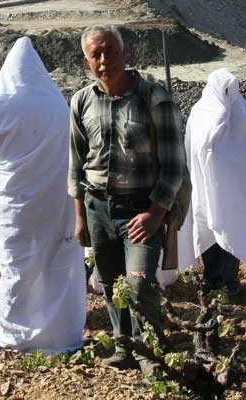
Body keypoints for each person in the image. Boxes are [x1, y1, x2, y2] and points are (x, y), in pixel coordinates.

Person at [69, 24, 185, 375]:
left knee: (138, 282)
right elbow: (76, 164)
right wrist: (80, 217)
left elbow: (174, 167)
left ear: (124, 53)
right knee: (109, 281)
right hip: (98, 208)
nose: (104, 61)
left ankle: (151, 355)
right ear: (88, 60)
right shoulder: (81, 101)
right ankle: (124, 346)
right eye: (96, 55)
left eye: (110, 52)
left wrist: (156, 213)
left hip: (140, 210)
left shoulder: (154, 98)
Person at [0, 37, 86, 354]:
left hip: (18, 199)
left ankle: (18, 334)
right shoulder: (57, 103)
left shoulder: (6, 102)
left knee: (19, 264)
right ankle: (62, 334)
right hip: (58, 198)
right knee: (57, 263)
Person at [185, 70, 246, 294]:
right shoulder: (201, 112)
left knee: (233, 232)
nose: (228, 95)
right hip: (205, 186)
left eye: (231, 90)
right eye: (225, 90)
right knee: (209, 233)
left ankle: (230, 285)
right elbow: (195, 147)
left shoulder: (242, 112)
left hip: (235, 189)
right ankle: (212, 283)